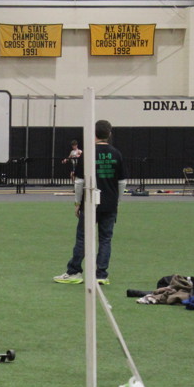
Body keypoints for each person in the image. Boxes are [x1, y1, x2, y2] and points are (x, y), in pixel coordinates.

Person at [53, 119, 126, 286]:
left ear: (93, 133)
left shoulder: (88, 154)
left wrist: (77, 202)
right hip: (110, 203)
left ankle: (74, 272)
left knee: (83, 238)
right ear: (109, 134)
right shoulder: (116, 154)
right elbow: (122, 182)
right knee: (105, 239)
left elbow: (79, 182)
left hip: (90, 202)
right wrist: (117, 201)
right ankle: (101, 274)